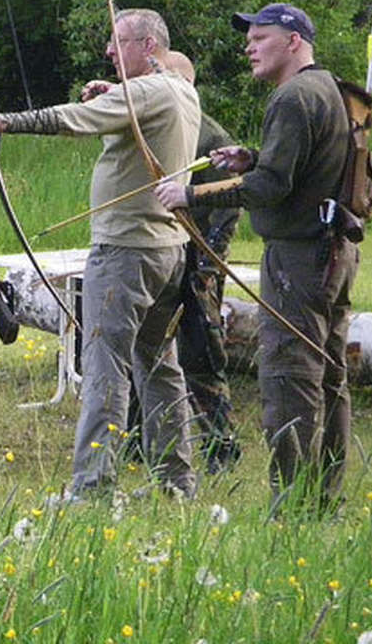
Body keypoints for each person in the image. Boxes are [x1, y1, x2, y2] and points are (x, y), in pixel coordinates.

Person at [0, 8, 201, 500]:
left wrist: (1, 119)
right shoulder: (179, 88)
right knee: (158, 364)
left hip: (127, 250)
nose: (109, 52)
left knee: (104, 364)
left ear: (148, 47)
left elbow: (72, 119)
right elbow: (132, 116)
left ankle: (91, 488)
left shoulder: (146, 92)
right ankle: (177, 483)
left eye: (119, 42)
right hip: (167, 250)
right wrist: (113, 94)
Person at [157, 3, 356, 512]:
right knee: (330, 373)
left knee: (290, 375)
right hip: (333, 249)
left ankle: (290, 506)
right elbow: (298, 169)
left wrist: (193, 195)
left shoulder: (292, 97)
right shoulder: (328, 88)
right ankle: (322, 499)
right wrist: (253, 159)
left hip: (299, 256)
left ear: (293, 41)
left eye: (261, 36)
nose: (249, 45)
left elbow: (270, 189)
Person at [123, 51, 243, 473]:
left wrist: (210, 262)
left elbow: (230, 205)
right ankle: (136, 437)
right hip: (161, 248)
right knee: (146, 346)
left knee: (200, 351)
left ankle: (220, 444)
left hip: (199, 258)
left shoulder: (207, 135)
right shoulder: (159, 124)